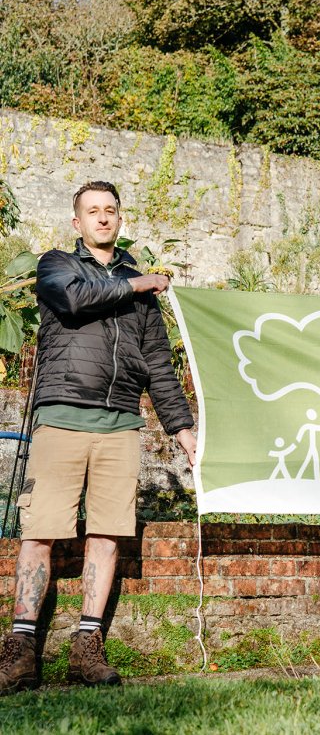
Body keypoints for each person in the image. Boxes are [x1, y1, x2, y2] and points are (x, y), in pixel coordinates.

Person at [0, 181, 197, 694]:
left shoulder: (140, 289)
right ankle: (20, 649)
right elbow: (74, 299)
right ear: (77, 222)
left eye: (110, 210)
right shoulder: (56, 266)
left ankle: (86, 647)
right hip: (62, 416)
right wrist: (137, 284)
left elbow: (157, 362)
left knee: (107, 534)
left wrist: (180, 425)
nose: (103, 218)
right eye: (93, 211)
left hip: (120, 424)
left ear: (119, 218)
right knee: (39, 532)